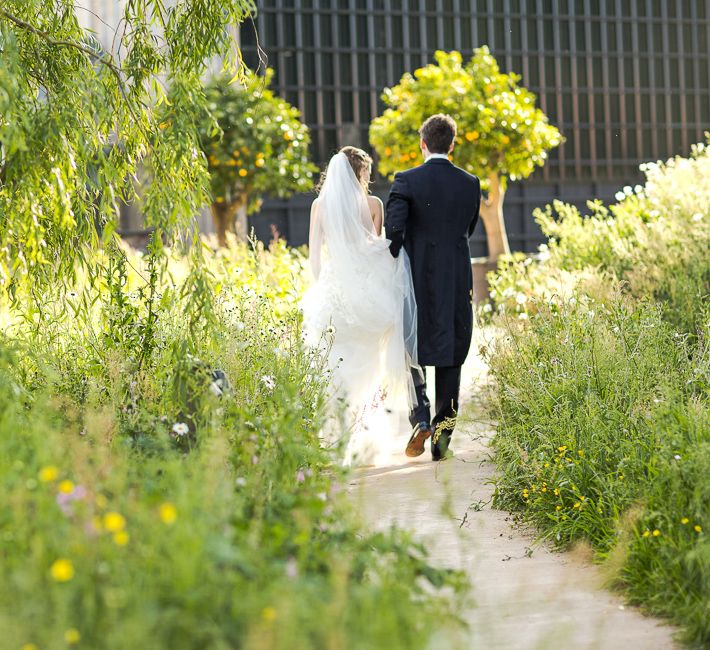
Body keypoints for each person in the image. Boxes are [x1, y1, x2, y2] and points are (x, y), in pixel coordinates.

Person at [301, 146, 420, 464]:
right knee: (369, 370)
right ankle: (364, 438)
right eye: (367, 173)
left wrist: (323, 288)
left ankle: (337, 438)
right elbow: (378, 251)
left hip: (335, 295)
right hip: (368, 298)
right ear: (361, 173)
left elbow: (315, 256)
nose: (369, 178)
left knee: (335, 370)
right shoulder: (373, 204)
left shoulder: (319, 205)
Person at [385, 114, 481, 461]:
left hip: (416, 279)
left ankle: (421, 416)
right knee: (452, 354)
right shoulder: (470, 183)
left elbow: (393, 233)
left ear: (422, 143)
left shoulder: (406, 181)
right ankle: (441, 441)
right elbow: (467, 227)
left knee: (412, 345)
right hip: (456, 279)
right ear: (452, 144)